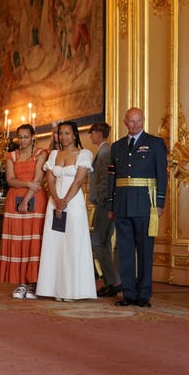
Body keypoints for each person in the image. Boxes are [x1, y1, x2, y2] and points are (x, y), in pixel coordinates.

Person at [109, 107, 167, 308]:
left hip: (145, 204)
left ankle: (143, 295)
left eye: (139, 121)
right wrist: (111, 204)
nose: (136, 125)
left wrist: (159, 203)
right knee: (124, 251)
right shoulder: (116, 147)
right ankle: (128, 293)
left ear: (144, 120)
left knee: (144, 251)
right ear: (125, 122)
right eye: (132, 121)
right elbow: (112, 178)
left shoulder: (155, 143)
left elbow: (162, 175)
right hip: (122, 204)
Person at [36, 121, 96, 301]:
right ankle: (53, 289)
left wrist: (65, 202)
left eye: (67, 133)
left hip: (73, 204)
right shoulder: (54, 154)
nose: (64, 137)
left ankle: (73, 290)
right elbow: (50, 180)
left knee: (73, 244)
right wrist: (56, 200)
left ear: (75, 135)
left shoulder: (84, 154)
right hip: (54, 203)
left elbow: (78, 181)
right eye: (61, 134)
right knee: (55, 244)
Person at [0, 124, 47, 299]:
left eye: (26, 137)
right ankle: (20, 283)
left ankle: (33, 283)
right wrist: (26, 184)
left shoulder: (41, 154)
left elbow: (38, 179)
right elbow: (10, 180)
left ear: (33, 137)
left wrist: (26, 200)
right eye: (20, 137)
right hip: (14, 200)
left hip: (35, 200)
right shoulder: (11, 156)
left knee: (34, 241)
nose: (23, 140)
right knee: (18, 241)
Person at [88, 122, 121, 297]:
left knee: (97, 242)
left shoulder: (105, 152)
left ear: (99, 133)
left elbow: (104, 180)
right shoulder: (103, 151)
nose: (90, 137)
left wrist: (103, 201)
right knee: (104, 242)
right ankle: (110, 283)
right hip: (105, 202)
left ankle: (115, 281)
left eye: (91, 133)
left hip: (104, 203)